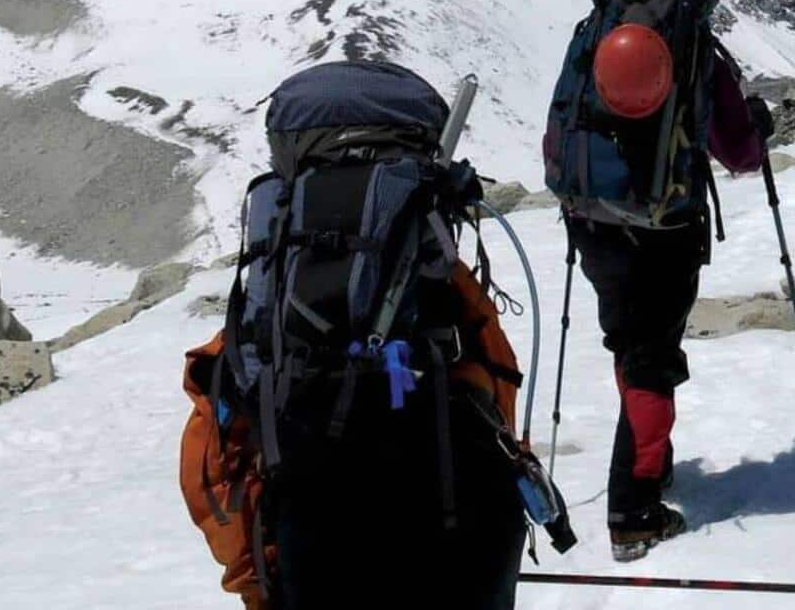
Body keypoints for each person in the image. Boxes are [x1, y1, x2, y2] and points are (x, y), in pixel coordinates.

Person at [183, 60, 570, 610]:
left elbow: (214, 463)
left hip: (316, 537)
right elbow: (498, 394)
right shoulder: (450, 298)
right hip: (464, 534)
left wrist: (264, 583)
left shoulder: (269, 307)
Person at [543, 0, 765, 561]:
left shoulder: (590, 40)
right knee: (652, 360)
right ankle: (634, 510)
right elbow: (742, 153)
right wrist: (757, 126)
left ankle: (653, 460)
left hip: (591, 223)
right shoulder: (695, 50)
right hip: (666, 230)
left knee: (631, 345)